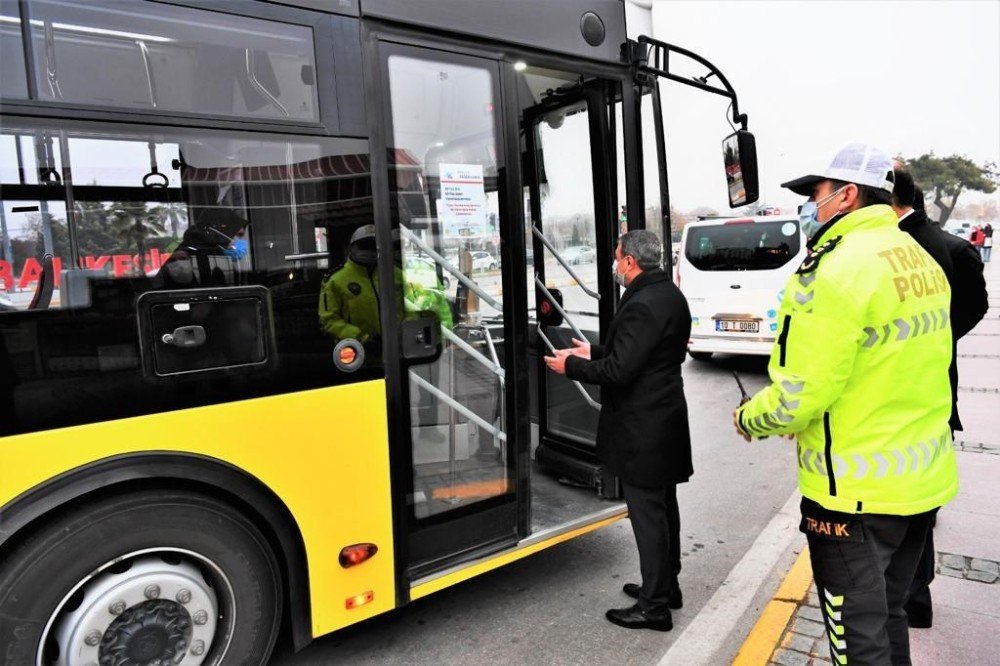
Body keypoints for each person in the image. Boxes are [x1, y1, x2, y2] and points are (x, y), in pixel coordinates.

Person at [734, 143, 958, 665]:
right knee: (889, 615)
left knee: (855, 637)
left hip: (853, 494)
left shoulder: (833, 272)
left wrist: (751, 418)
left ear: (847, 195)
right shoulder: (918, 258)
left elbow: (798, 394)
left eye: (815, 195)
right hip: (920, 481)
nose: (809, 208)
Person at [544, 229, 692, 632]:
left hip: (644, 427)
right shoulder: (668, 294)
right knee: (663, 510)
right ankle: (665, 586)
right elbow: (640, 354)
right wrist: (589, 350)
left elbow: (619, 371)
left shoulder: (644, 302)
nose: (614, 264)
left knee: (648, 515)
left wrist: (570, 366)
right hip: (663, 420)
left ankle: (654, 607)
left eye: (615, 257)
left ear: (629, 261)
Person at [892, 173, 989, 628]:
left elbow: (975, 305)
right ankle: (915, 598)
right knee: (919, 508)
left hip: (903, 394)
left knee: (905, 507)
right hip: (932, 391)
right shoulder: (946, 245)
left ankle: (904, 598)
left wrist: (933, 341)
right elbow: (975, 308)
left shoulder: (919, 248)